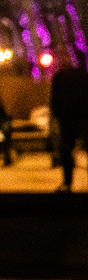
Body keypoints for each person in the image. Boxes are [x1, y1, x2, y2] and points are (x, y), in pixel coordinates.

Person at [52, 49, 88, 191]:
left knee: (66, 149)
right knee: (71, 149)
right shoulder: (82, 76)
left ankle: (67, 183)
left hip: (69, 117)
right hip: (79, 116)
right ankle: (67, 182)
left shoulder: (60, 77)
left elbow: (55, 99)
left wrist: (58, 113)